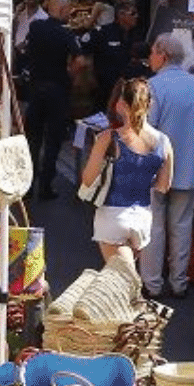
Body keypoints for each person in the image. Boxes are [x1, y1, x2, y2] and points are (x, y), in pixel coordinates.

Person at [143, 33, 194, 299]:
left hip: (155, 168)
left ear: (162, 55)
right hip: (187, 167)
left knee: (155, 225)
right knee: (182, 225)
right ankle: (179, 282)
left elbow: (147, 130)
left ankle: (152, 283)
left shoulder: (153, 86)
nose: (150, 57)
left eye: (152, 52)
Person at [80, 77, 172, 266]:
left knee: (124, 281)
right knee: (123, 278)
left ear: (121, 105)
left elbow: (88, 179)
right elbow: (164, 186)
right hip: (143, 218)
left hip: (112, 217)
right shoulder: (164, 142)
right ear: (149, 104)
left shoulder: (108, 138)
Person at [17, 0, 81, 200]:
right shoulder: (66, 34)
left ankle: (27, 185)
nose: (70, 15)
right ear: (61, 11)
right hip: (58, 89)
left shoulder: (36, 27)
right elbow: (79, 61)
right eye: (68, 11)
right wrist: (71, 74)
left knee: (33, 138)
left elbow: (23, 47)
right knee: (53, 140)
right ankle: (45, 186)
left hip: (36, 88)